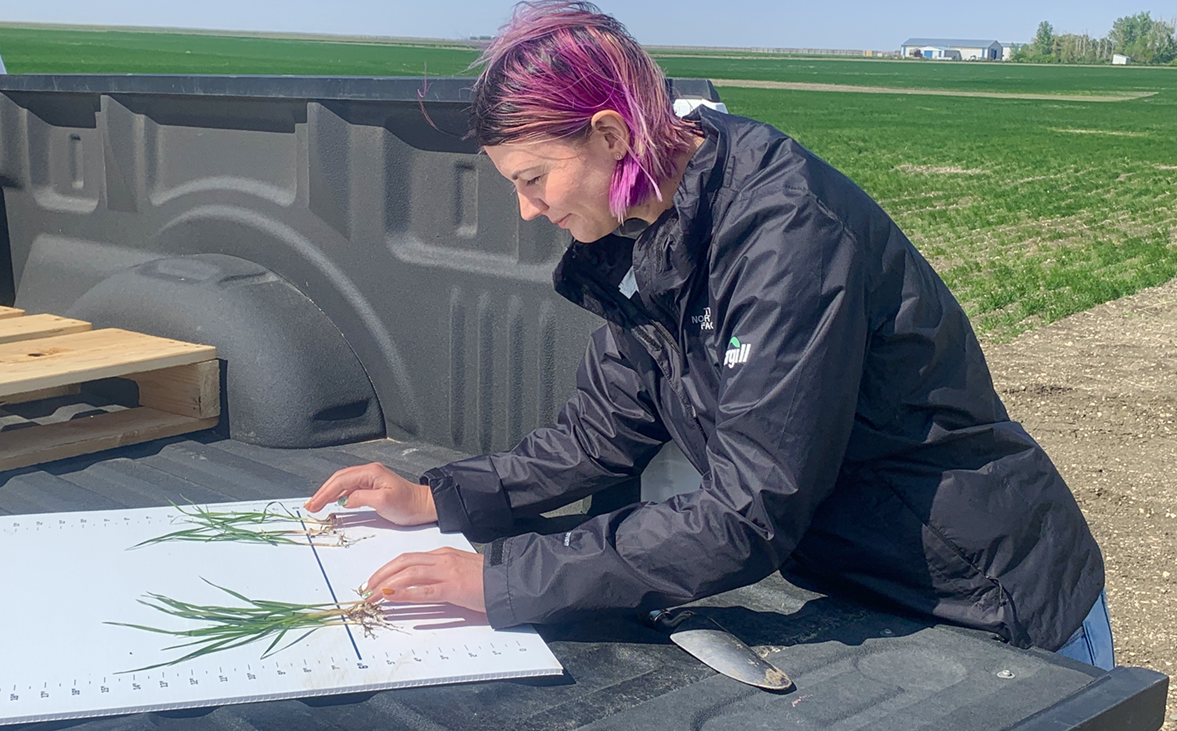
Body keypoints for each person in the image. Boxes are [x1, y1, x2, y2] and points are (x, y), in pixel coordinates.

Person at [307, 0, 1114, 669]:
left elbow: (751, 506)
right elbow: (601, 433)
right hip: (876, 595)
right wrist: (441, 497)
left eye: (532, 179)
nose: (527, 209)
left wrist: (500, 579)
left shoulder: (785, 237)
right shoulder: (641, 230)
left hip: (996, 605)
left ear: (611, 136)